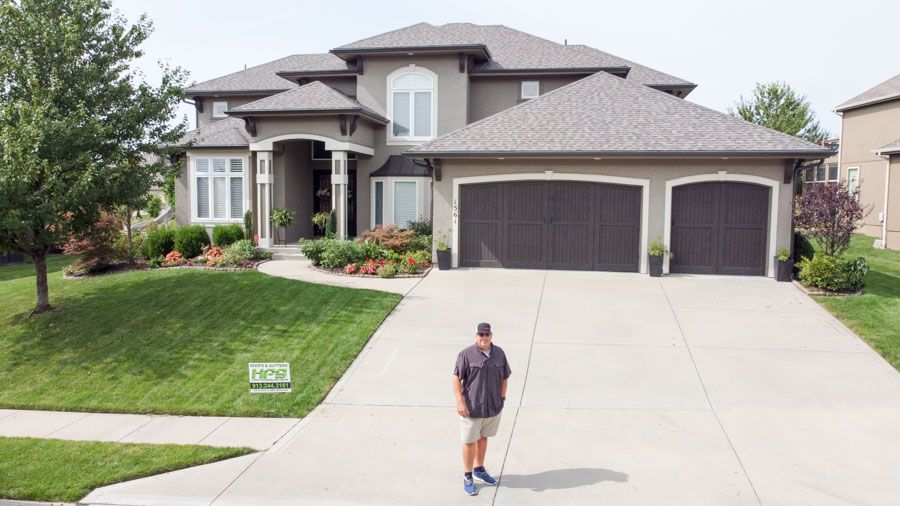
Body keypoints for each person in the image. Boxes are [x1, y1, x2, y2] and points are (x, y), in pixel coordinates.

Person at [452, 322, 511, 496]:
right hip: (472, 408)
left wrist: (502, 398)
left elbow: (505, 377)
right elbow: (456, 378)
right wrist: (459, 401)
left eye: (486, 334)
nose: (484, 338)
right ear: (476, 336)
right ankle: (468, 476)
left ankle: (479, 469)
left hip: (492, 407)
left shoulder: (499, 353)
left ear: (491, 335)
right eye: (480, 335)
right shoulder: (466, 355)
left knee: (483, 438)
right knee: (469, 442)